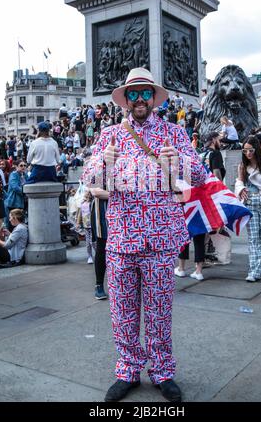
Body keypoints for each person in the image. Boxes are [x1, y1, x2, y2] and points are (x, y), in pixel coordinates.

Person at [83, 67, 207, 402]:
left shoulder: (173, 133)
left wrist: (177, 161)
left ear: (153, 98)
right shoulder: (109, 135)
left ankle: (163, 370)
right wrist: (103, 165)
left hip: (161, 238)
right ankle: (128, 369)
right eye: (133, 93)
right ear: (126, 99)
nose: (140, 99)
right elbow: (90, 181)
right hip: (122, 239)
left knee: (159, 310)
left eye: (145, 93)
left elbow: (199, 175)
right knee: (122, 309)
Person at [235, 136, 261, 282]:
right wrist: (241, 188)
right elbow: (238, 183)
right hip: (250, 203)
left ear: (256, 149)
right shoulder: (242, 165)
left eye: (250, 150)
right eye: (245, 151)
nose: (248, 154)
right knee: (253, 238)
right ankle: (254, 270)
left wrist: (251, 173)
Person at [5, 160, 27, 230]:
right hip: (13, 202)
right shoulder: (14, 174)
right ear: (16, 167)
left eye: (24, 165)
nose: (23, 167)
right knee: (13, 222)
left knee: (19, 222)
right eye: (21, 165)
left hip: (22, 201)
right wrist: (25, 192)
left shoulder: (25, 175)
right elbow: (15, 187)